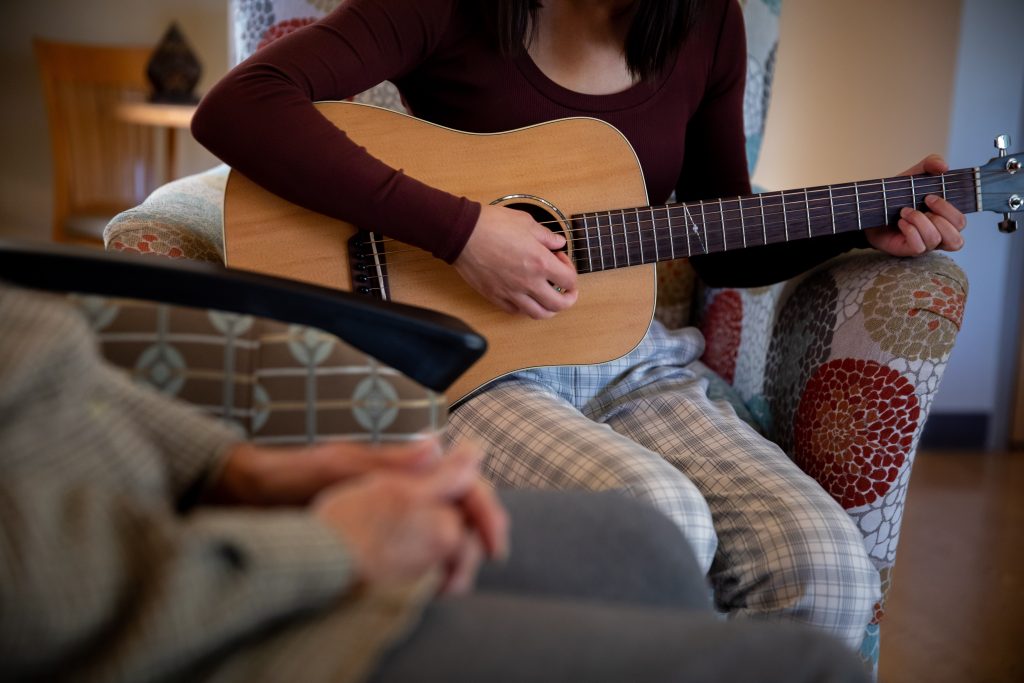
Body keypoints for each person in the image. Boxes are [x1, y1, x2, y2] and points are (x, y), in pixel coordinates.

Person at [191, 0, 968, 649]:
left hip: (639, 360)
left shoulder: (710, 24)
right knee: (655, 525)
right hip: (478, 367)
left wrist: (861, 221)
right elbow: (240, 105)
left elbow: (720, 235)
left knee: (825, 564)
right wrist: (460, 232)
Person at [0, 282, 871, 683]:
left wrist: (239, 467)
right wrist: (337, 543)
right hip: (191, 617)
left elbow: (36, 363)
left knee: (643, 546)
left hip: (158, 519)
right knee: (805, 666)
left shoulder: (697, 33)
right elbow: (41, 598)